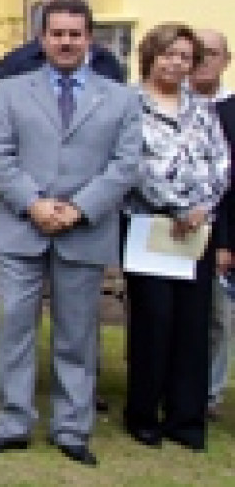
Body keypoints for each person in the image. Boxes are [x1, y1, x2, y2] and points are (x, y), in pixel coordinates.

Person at [0, 0, 142, 467]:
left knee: (77, 333)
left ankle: (71, 428)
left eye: (75, 34)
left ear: (90, 39)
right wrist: (34, 203)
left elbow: (125, 165)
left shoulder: (121, 98)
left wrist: (79, 208)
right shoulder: (10, 91)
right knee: (15, 328)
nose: (66, 42)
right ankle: (13, 423)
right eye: (57, 34)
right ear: (41, 38)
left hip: (83, 229)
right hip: (21, 225)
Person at [121, 23, 230, 451]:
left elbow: (221, 161)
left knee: (192, 322)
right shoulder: (129, 103)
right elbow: (131, 163)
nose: (176, 63)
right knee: (154, 319)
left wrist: (203, 206)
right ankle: (144, 414)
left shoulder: (202, 108)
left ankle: (186, 419)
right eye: (169, 54)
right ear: (151, 55)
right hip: (150, 225)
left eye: (185, 57)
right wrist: (176, 206)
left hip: (197, 231)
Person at [193, 29, 235, 415]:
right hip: (173, 229)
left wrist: (226, 242)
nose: (204, 59)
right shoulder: (174, 104)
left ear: (226, 60)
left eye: (213, 53)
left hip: (222, 230)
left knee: (219, 317)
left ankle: (209, 393)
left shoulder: (231, 109)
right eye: (198, 52)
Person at [0, 0, 127, 82]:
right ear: (44, 8)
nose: (66, 11)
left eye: (74, 3)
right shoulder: (16, 65)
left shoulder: (108, 64)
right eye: (58, 4)